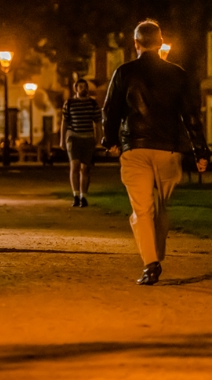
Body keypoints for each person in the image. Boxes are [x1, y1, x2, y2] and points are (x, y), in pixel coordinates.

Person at [102, 20, 209, 285]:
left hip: (135, 147)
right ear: (161, 43)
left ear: (136, 44)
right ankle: (155, 253)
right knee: (161, 206)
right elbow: (191, 115)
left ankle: (151, 263)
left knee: (142, 209)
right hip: (169, 149)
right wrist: (200, 151)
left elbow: (111, 109)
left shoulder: (124, 72)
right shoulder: (178, 74)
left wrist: (110, 140)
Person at [59, 79, 102, 208]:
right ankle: (76, 195)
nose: (83, 89)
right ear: (76, 88)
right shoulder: (70, 103)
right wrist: (62, 139)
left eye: (85, 87)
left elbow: (98, 122)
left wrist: (99, 139)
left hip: (88, 138)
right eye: (80, 86)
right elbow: (64, 122)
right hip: (73, 137)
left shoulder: (93, 104)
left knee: (85, 168)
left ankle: (84, 196)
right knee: (75, 165)